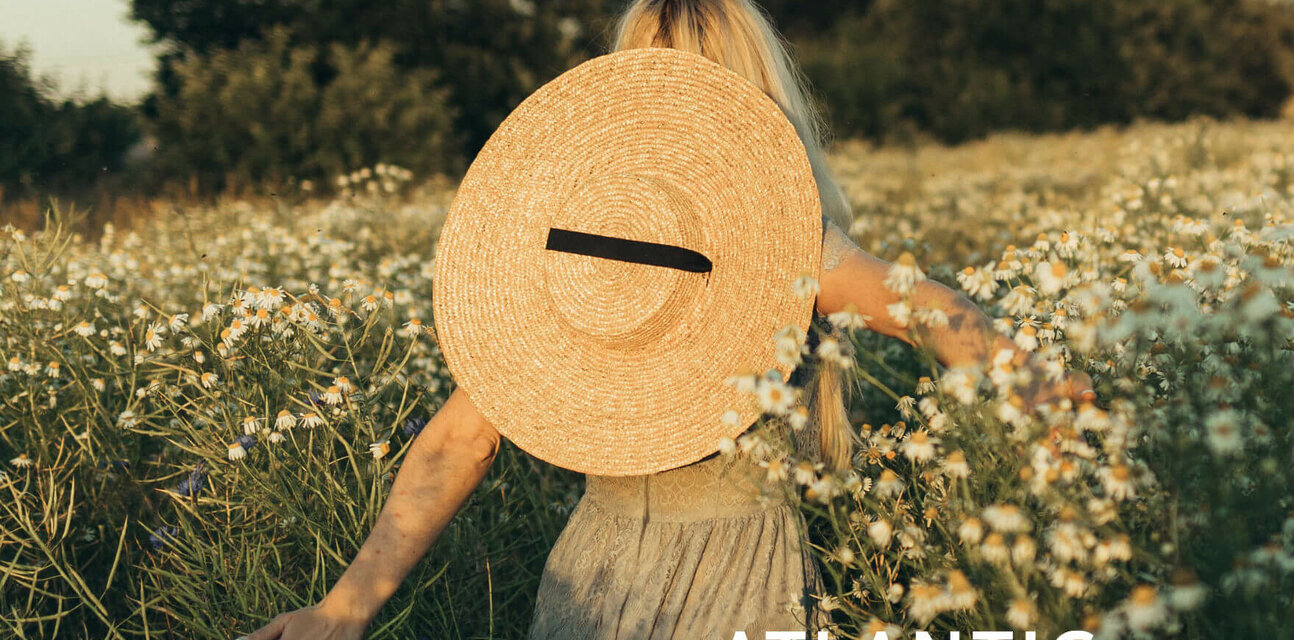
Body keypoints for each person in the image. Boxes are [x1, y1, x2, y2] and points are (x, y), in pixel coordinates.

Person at [242, 1, 1095, 638]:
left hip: (620, 580)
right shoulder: (750, 243)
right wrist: (1036, 385)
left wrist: (346, 607)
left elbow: (458, 441)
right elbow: (927, 310)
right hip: (686, 584)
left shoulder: (765, 240)